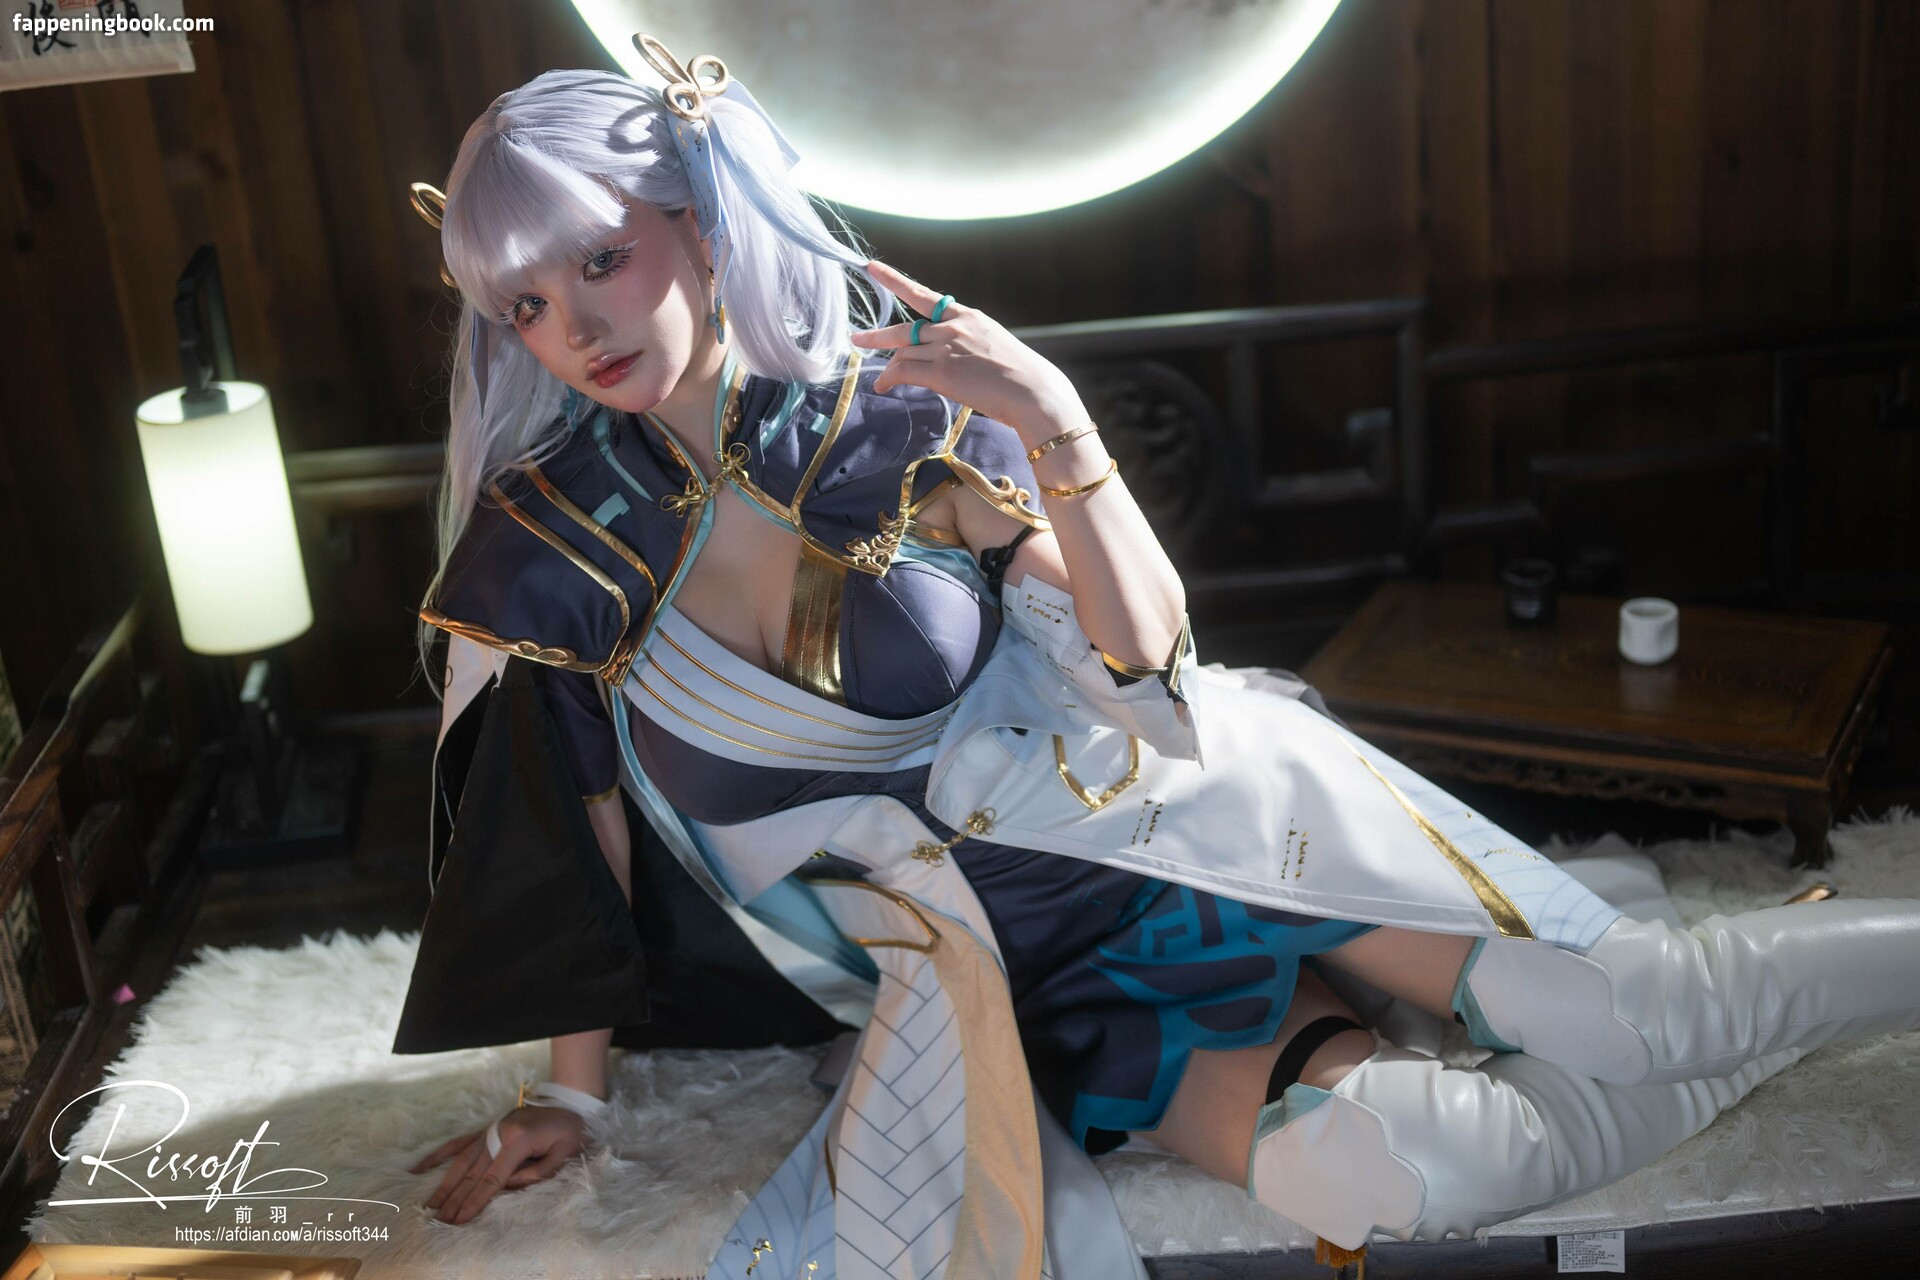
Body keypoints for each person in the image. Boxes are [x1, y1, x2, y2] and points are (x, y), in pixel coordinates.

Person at [392, 37, 1920, 1276]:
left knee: (1638, 1015)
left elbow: (1146, 675)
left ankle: (1702, 997)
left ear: (702, 220)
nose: (575, 325)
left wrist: (1056, 422)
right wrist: (576, 1095)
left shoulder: (890, 408)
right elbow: (571, 828)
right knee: (1413, 1170)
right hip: (1003, 982)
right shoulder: (550, 550)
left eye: (602, 260)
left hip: (1179, 827)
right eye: (525, 303)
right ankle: (1716, 1031)